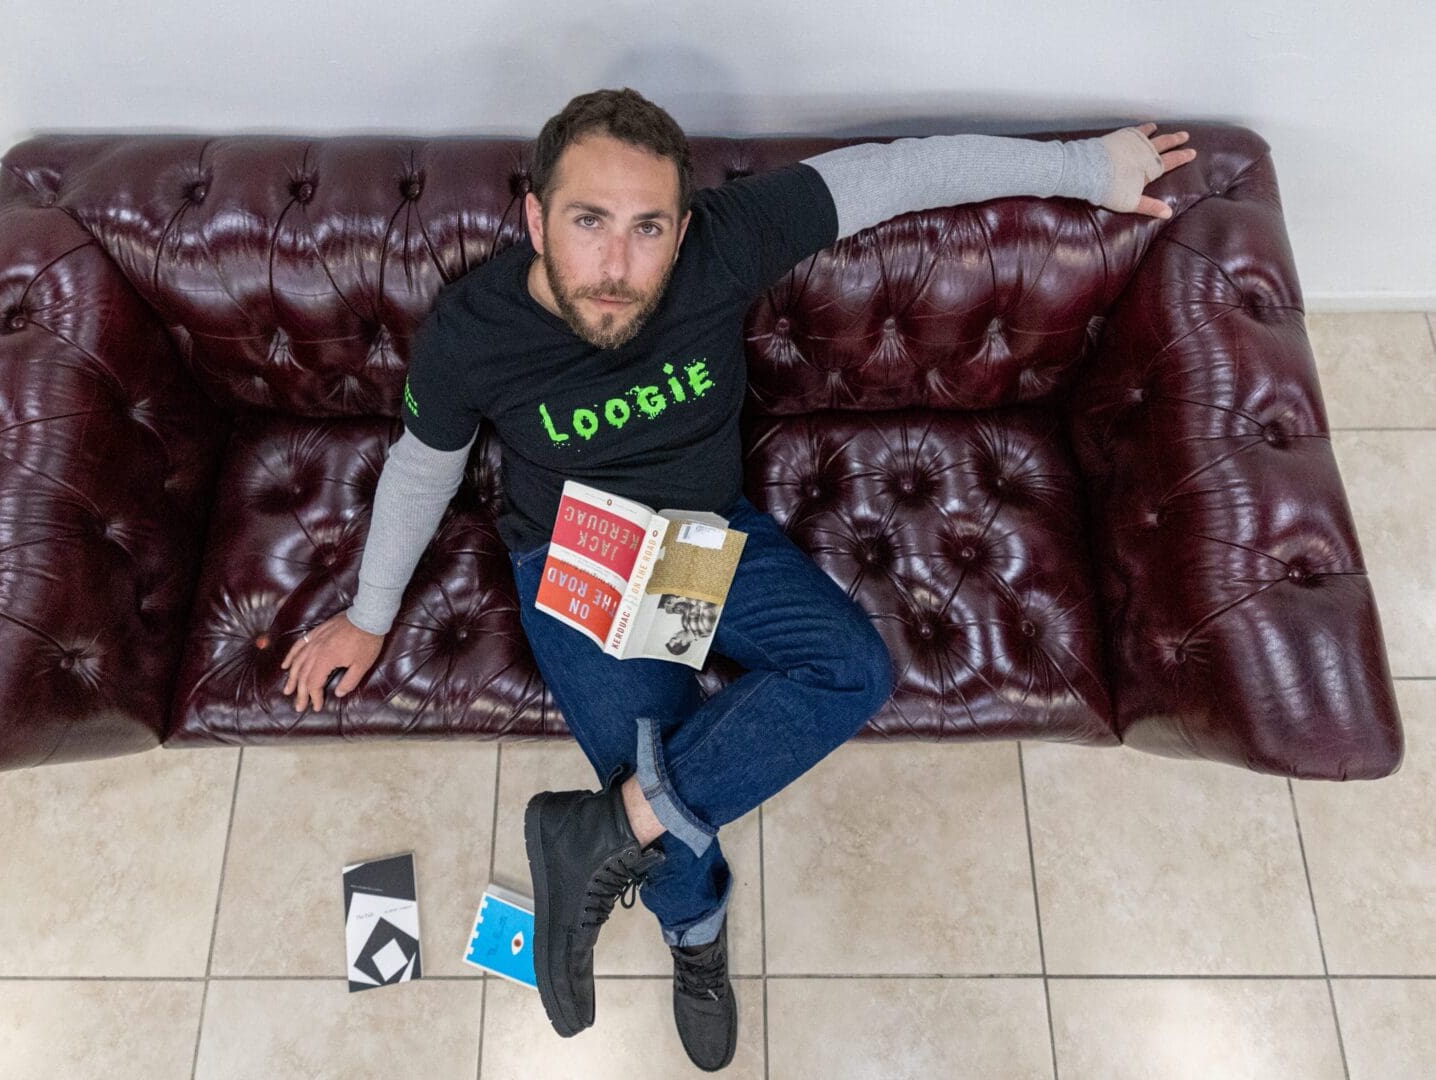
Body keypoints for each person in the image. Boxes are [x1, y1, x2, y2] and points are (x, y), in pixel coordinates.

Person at [280, 87, 1195, 1071]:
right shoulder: (473, 331)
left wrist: (1087, 171)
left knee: (851, 672)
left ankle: (602, 829)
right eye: (588, 223)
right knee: (664, 768)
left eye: (648, 229)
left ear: (683, 226)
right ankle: (692, 932)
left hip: (695, 538)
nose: (618, 266)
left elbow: (894, 174)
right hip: (573, 552)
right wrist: (369, 615)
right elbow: (425, 463)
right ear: (537, 217)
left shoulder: (725, 242)